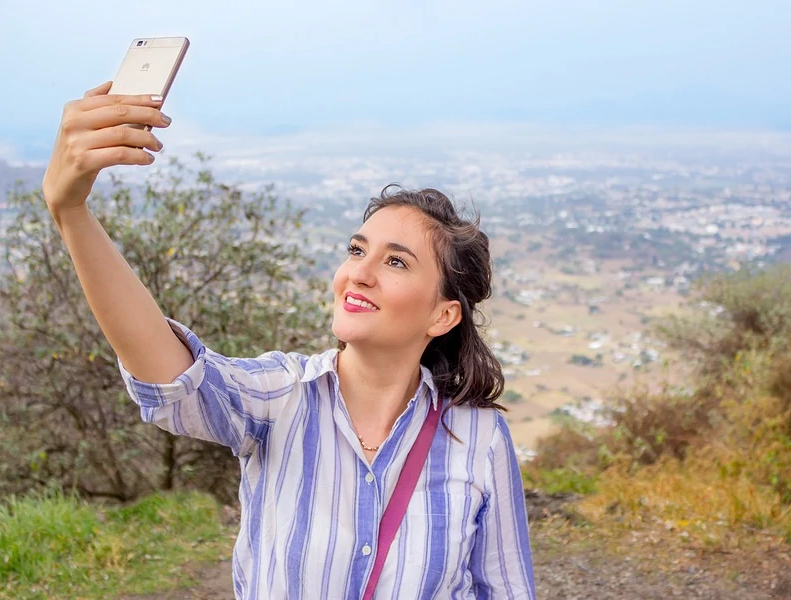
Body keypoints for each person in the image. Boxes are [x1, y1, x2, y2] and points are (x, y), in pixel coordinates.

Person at [43, 82, 537, 600]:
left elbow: (503, 590)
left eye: (395, 261)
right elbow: (171, 378)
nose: (358, 274)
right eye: (356, 249)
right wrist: (71, 213)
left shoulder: (480, 439)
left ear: (443, 314)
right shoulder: (280, 397)